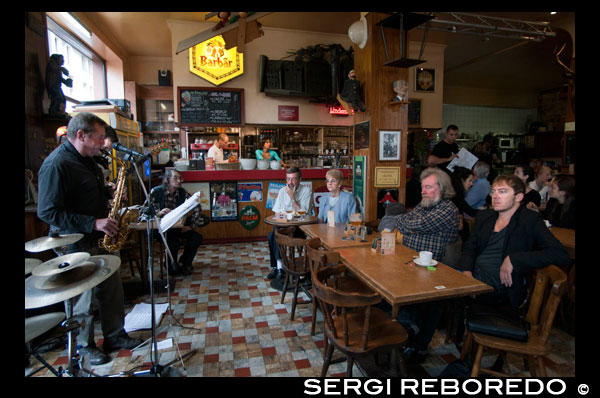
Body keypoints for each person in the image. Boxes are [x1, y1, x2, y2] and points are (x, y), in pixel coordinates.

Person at [37, 112, 142, 365]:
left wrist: (108, 197)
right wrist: (93, 222)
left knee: (111, 288)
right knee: (81, 298)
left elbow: (86, 195)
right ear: (81, 135)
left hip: (100, 236)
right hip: (75, 241)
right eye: (99, 137)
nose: (104, 142)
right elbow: (47, 211)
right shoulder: (57, 164)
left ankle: (115, 335)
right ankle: (84, 345)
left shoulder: (89, 161)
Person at [378, 167, 460, 363]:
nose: (422, 191)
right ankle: (396, 332)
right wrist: (406, 223)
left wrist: (407, 225)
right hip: (409, 261)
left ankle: (416, 344)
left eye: (428, 187)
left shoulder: (448, 209)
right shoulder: (424, 205)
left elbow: (414, 225)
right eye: (423, 187)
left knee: (424, 300)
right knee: (382, 285)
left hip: (435, 268)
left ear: (441, 188)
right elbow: (405, 220)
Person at [458, 174, 571, 309]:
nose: (495, 196)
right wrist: (467, 273)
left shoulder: (529, 220)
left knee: (446, 296)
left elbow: (560, 254)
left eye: (503, 192)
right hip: (474, 277)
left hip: (501, 286)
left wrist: (514, 259)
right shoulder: (485, 216)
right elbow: (470, 248)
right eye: (493, 192)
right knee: (440, 287)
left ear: (518, 197)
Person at [143, 169, 210, 275]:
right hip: (160, 229)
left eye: (180, 178)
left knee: (196, 238)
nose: (179, 180)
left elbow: (197, 206)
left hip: (177, 227)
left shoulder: (182, 192)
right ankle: (170, 267)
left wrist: (191, 226)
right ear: (167, 180)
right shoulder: (156, 191)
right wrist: (159, 213)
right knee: (174, 243)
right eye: (175, 178)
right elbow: (144, 212)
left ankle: (184, 263)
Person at [267, 167, 314, 280]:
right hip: (285, 224)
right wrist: (282, 215)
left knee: (276, 234)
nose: (290, 183)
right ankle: (279, 268)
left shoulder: (306, 191)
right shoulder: (282, 191)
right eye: (288, 179)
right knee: (273, 235)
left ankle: (279, 268)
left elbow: (304, 213)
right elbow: (276, 211)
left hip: (300, 226)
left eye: (293, 179)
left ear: (300, 179)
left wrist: (292, 197)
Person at [450, 166, 478, 242]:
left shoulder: (456, 194)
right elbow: (470, 211)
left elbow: (470, 210)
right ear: (462, 180)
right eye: (470, 181)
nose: (471, 184)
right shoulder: (455, 197)